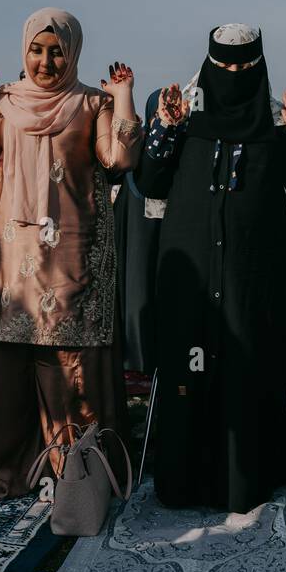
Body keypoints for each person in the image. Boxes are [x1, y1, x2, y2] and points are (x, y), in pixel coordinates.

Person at [0, 8, 141, 498]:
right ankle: (11, 473)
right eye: (37, 49)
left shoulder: (92, 103)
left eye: (57, 51)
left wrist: (124, 96)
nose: (45, 61)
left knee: (71, 371)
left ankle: (77, 480)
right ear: (24, 49)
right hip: (7, 256)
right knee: (4, 365)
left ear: (72, 54)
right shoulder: (3, 101)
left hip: (73, 254)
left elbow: (120, 158)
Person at [135, 24, 286, 513]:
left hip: (251, 275)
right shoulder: (187, 119)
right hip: (192, 274)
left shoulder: (275, 125)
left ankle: (246, 479)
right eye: (224, 66)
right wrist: (164, 128)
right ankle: (183, 480)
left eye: (245, 66)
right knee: (189, 370)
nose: (234, 75)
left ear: (259, 66)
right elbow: (150, 180)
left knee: (247, 366)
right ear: (208, 65)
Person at [113, 87, 165, 397]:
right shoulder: (136, 144)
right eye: (156, 112)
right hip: (133, 227)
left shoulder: (176, 145)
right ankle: (133, 363)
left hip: (162, 232)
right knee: (133, 291)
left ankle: (153, 362)